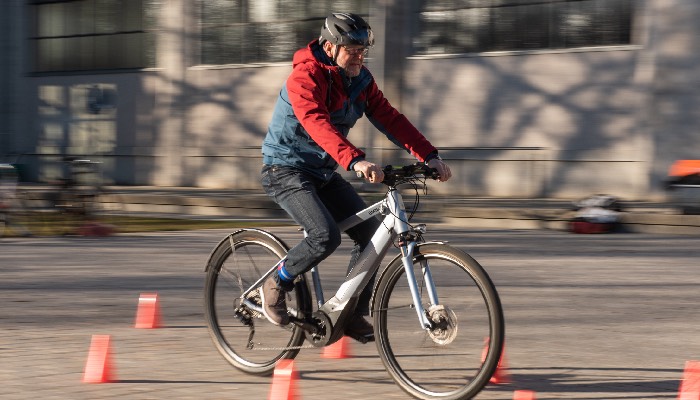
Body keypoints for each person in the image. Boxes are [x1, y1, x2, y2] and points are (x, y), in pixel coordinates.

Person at [260, 12, 452, 342]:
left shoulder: (361, 80)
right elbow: (317, 123)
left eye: (364, 50)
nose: (360, 57)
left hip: (322, 172)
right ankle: (278, 281)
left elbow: (391, 120)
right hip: (285, 170)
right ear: (329, 47)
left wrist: (429, 155)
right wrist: (355, 161)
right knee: (324, 236)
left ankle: (350, 313)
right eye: (353, 50)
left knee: (373, 235)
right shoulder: (304, 77)